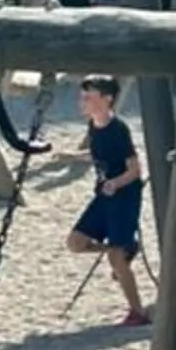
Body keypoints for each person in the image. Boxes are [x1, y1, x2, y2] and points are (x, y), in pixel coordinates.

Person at [67, 77, 149, 326]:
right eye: (83, 97)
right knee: (75, 242)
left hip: (124, 197)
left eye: (88, 97)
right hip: (104, 195)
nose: (83, 102)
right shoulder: (94, 126)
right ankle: (125, 248)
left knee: (116, 260)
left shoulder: (118, 129)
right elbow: (100, 156)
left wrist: (115, 183)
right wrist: (72, 157)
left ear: (107, 99)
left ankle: (138, 312)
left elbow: (135, 170)